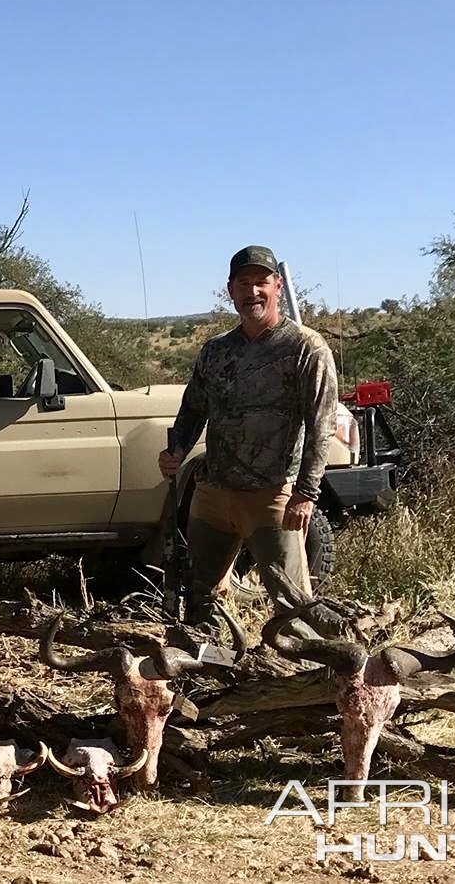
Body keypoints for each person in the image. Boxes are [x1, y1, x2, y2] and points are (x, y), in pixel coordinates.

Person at [159, 246, 339, 636]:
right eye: (244, 283)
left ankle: (301, 682)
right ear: (230, 290)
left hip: (272, 496)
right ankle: (208, 678)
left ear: (277, 286)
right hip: (214, 494)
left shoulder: (306, 348)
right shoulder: (216, 351)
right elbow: (194, 409)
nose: (252, 291)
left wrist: (306, 493)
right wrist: (175, 452)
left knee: (292, 608)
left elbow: (321, 425)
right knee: (202, 602)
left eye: (261, 282)